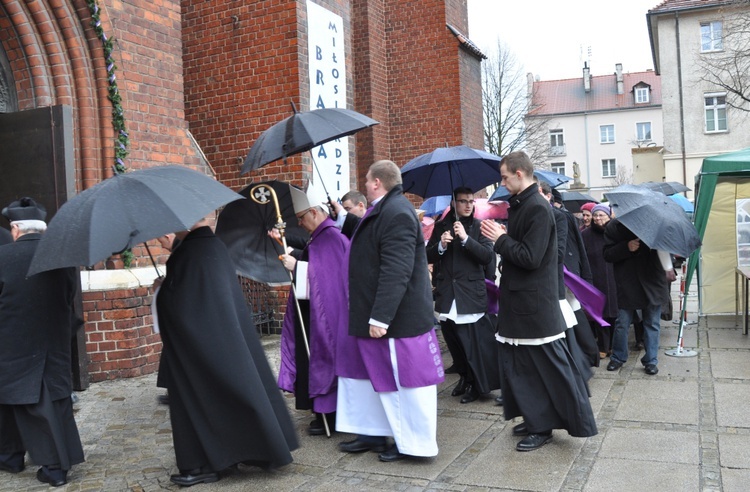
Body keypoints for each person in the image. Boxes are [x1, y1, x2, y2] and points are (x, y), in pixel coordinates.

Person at [156, 217, 298, 486]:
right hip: (217, 338)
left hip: (199, 345)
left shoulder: (191, 252)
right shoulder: (212, 246)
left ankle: (204, 464)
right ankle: (231, 454)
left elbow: (183, 304)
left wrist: (161, 293)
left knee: (200, 400)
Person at [480, 151, 597, 452]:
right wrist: (505, 239)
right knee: (525, 369)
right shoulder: (522, 206)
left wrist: (500, 240)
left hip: (534, 305)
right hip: (522, 302)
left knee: (547, 368)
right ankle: (536, 418)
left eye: (505, 176)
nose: (502, 182)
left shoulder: (536, 208)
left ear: (520, 173)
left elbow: (531, 258)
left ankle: (544, 426)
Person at [338, 160, 444, 462]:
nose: (365, 184)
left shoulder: (395, 212)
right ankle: (387, 436)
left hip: (399, 320)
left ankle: (414, 445)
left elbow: (396, 270)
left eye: (367, 180)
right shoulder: (387, 209)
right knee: (381, 382)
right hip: (386, 317)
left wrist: (380, 316)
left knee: (406, 386)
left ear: (376, 183)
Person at [0, 197, 84, 487]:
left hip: (13, 346)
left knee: (24, 404)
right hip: (53, 344)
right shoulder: (61, 259)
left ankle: (52, 467)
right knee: (51, 405)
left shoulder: (2, 258)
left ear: (14, 228)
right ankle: (11, 455)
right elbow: (69, 299)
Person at [278, 189, 349, 436]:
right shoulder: (319, 236)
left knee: (324, 360)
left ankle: (330, 414)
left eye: (301, 217)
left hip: (326, 317)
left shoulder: (331, 237)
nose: (299, 223)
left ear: (315, 212)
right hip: (313, 312)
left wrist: (297, 266)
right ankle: (322, 412)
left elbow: (328, 279)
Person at [426, 187, 498, 404]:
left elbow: (486, 256)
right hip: (448, 295)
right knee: (455, 344)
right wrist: (441, 245)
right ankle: (464, 378)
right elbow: (427, 255)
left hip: (470, 294)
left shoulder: (479, 227)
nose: (468, 205)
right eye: (463, 201)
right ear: (453, 204)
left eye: (470, 201)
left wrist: (466, 239)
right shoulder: (441, 228)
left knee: (472, 345)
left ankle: (477, 384)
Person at [604, 218, 675, 375]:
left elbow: (666, 250)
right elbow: (607, 254)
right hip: (627, 281)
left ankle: (651, 360)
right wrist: (626, 247)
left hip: (653, 281)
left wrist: (669, 267)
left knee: (652, 323)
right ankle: (618, 357)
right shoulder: (614, 227)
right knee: (622, 322)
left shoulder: (657, 225)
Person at [581, 204, 619, 358]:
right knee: (599, 314)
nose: (597, 218)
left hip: (614, 276)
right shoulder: (586, 234)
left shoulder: (615, 232)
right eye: (595, 215)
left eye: (601, 215)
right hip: (595, 276)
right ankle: (603, 346)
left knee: (615, 315)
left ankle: (615, 346)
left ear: (609, 216)